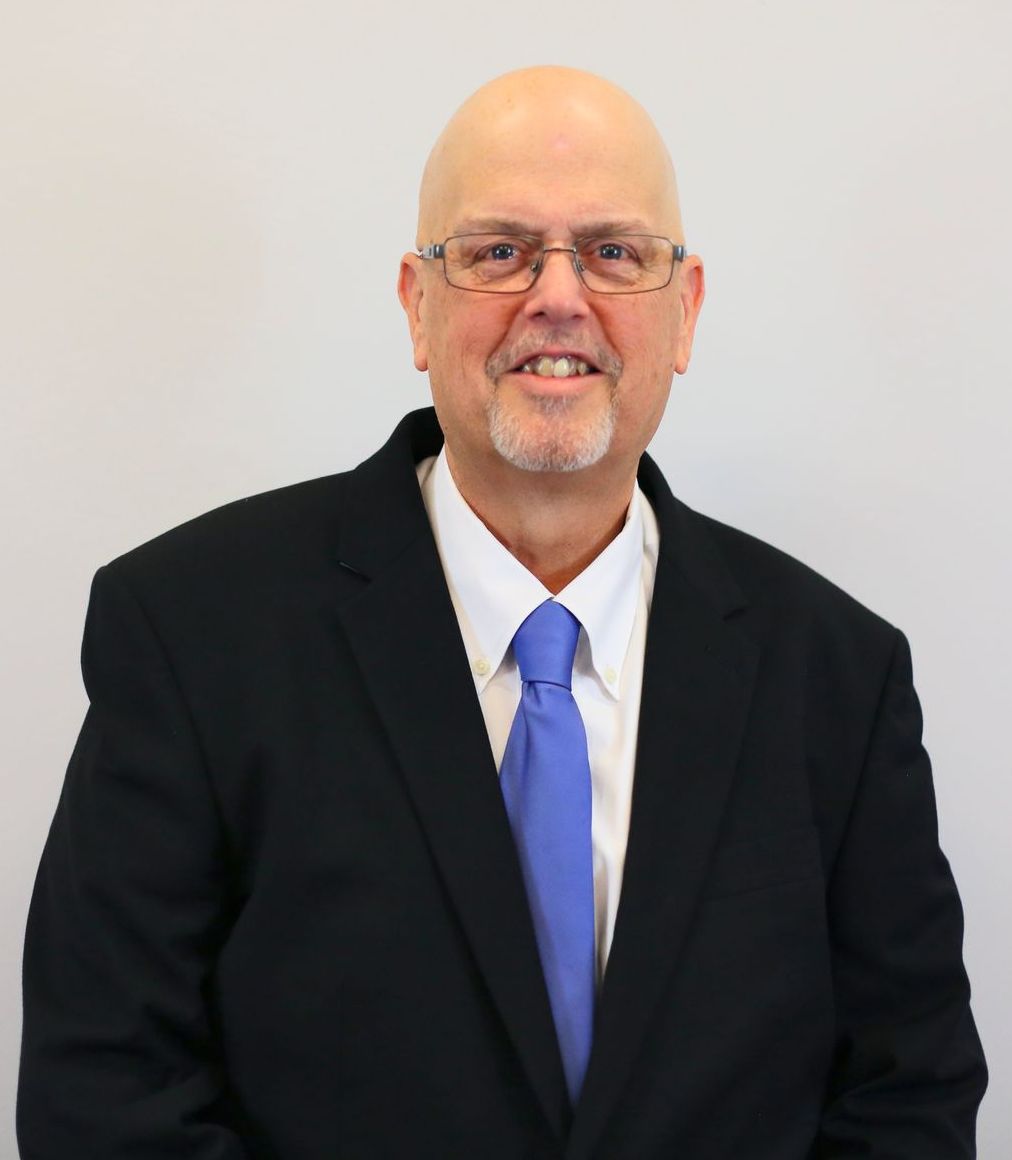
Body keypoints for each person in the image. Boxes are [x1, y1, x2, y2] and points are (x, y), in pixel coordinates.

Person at [18, 66, 986, 1159]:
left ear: (686, 310)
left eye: (615, 252)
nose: (558, 297)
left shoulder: (840, 679)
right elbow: (101, 1096)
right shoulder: (192, 635)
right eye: (497, 252)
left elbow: (908, 1097)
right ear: (416, 304)